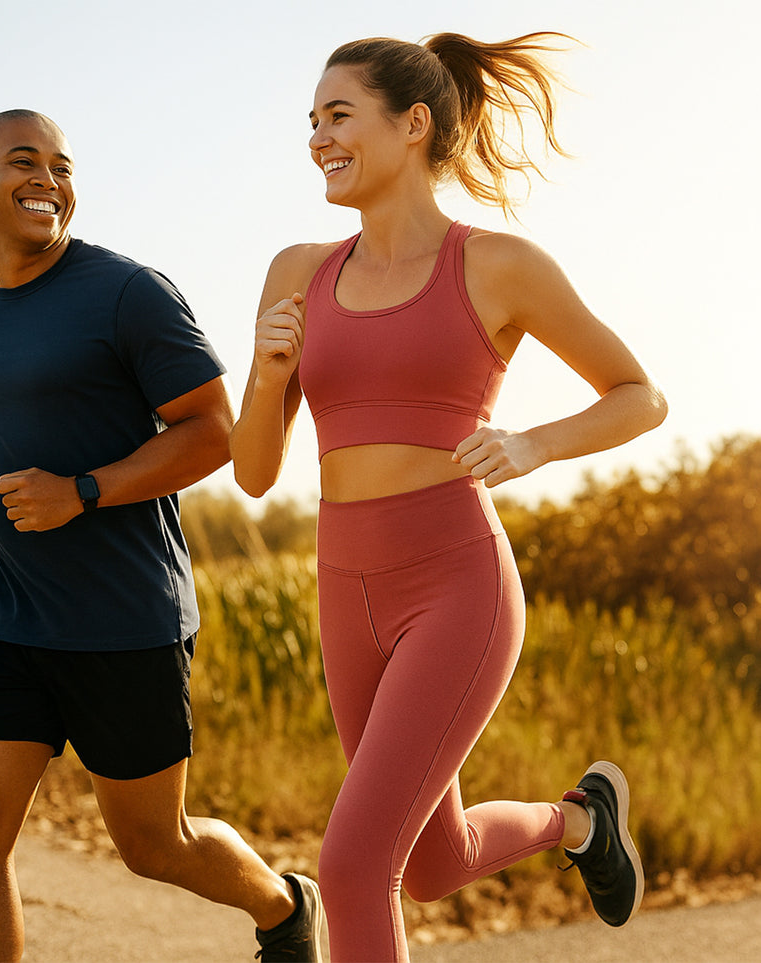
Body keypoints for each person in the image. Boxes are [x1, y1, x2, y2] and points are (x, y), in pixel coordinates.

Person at [229, 32, 668, 962]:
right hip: (344, 586)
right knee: (430, 863)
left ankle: (580, 821)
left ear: (413, 123)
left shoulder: (496, 266)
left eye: (338, 115)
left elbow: (639, 394)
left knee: (352, 867)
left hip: (455, 583)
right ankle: (580, 821)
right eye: (310, 121)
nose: (318, 137)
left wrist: (531, 443)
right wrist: (269, 378)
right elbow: (256, 472)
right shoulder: (296, 272)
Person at [0, 108, 322, 963]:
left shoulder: (127, 291)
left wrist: (84, 493)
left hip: (124, 617)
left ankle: (284, 906)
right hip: (6, 618)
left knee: (152, 844)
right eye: (25, 163)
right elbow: (3, 440)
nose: (48, 181)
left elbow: (212, 429)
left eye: (62, 166)